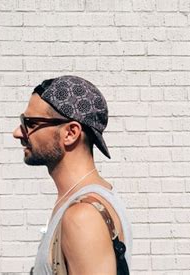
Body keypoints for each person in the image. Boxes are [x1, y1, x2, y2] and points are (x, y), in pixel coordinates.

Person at [13, 75, 132, 274]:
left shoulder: (83, 217)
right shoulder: (75, 202)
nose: (18, 132)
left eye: (30, 123)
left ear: (70, 133)